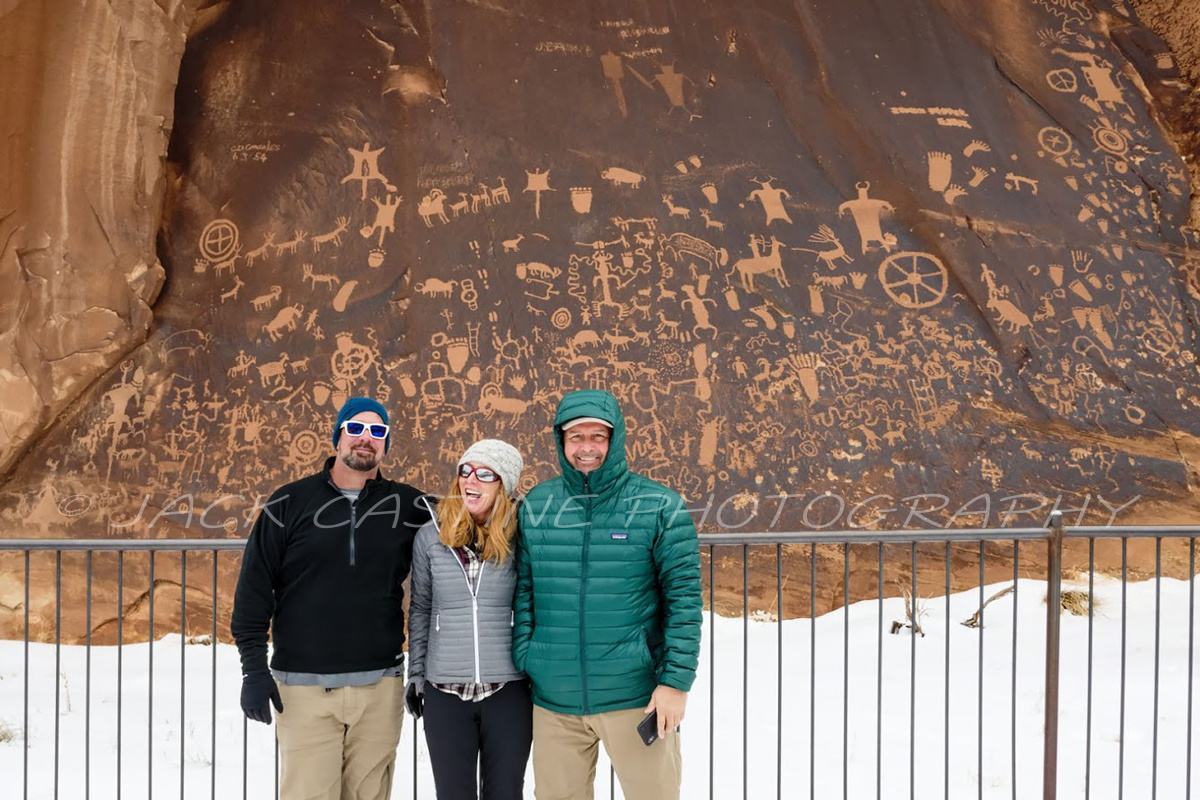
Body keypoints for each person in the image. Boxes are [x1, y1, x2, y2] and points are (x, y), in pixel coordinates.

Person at [231, 397, 431, 800]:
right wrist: (253, 670)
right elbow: (253, 590)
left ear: (386, 446)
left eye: (378, 432)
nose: (365, 439)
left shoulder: (409, 505)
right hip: (304, 691)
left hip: (379, 689)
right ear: (338, 436)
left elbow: (476, 520)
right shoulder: (287, 502)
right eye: (355, 428)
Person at [513, 389, 702, 800]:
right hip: (555, 702)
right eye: (575, 436)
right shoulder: (538, 506)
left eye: (597, 436)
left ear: (615, 440)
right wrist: (529, 656)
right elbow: (525, 590)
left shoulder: (659, 506)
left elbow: (684, 601)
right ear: (560, 441)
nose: (586, 447)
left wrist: (675, 683)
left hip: (635, 698)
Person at [406, 438, 532, 799]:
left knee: (506, 792)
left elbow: (533, 603)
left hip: (508, 689)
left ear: (503, 485)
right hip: (445, 690)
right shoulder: (431, 536)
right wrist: (417, 674)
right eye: (465, 471)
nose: (470, 481)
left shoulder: (520, 535)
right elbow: (421, 608)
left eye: (484, 474)